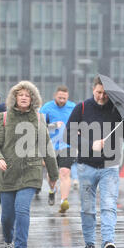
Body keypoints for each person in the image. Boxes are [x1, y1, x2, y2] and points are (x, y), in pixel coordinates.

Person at [64, 76, 124, 248]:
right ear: (93, 89)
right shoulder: (82, 108)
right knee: (87, 208)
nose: (102, 96)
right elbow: (68, 135)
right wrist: (89, 144)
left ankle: (108, 243)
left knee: (109, 206)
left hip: (110, 166)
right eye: (98, 92)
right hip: (86, 166)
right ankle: (89, 244)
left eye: (105, 93)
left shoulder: (117, 110)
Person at [0, 81, 59, 248]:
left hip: (30, 172)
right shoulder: (3, 117)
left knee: (22, 210)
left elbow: (46, 147)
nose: (24, 98)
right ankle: (8, 240)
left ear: (33, 99)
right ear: (14, 97)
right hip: (7, 173)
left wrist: (53, 174)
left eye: (27, 95)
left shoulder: (39, 118)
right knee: (7, 217)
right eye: (20, 95)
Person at [39, 85, 76, 213]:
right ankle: (52, 190)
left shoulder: (72, 107)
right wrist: (54, 125)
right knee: (52, 174)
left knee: (65, 172)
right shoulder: (46, 108)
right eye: (60, 98)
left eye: (64, 98)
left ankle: (63, 201)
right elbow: (39, 127)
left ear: (68, 97)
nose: (62, 100)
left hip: (68, 145)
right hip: (51, 145)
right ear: (55, 96)